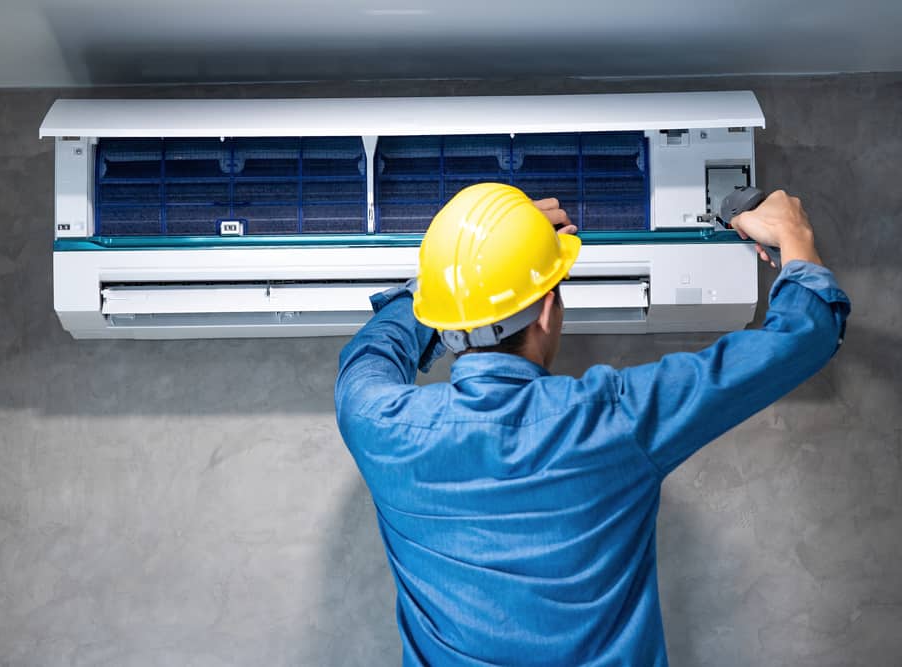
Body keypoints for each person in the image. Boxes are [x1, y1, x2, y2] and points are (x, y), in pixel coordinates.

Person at [334, 183, 850, 666]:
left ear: (443, 321)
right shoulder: (616, 418)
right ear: (547, 312)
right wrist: (793, 234)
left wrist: (474, 264)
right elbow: (804, 335)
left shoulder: (378, 423)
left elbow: (371, 350)